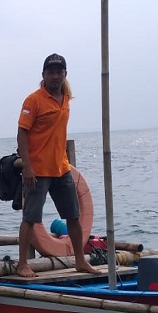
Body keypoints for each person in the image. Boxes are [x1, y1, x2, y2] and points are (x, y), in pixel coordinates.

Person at [16, 53, 99, 278]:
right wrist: (27, 167)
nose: (55, 76)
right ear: (43, 74)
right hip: (38, 170)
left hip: (61, 168)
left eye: (59, 72)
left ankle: (80, 260)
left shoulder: (66, 97)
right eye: (50, 72)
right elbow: (22, 133)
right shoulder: (33, 100)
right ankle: (22, 263)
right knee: (30, 218)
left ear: (65, 74)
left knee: (73, 216)